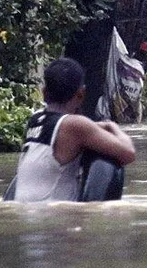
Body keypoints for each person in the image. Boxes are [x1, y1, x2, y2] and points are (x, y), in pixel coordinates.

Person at [13, 57, 137, 203]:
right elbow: (128, 153)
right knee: (110, 160)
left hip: (26, 212)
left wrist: (95, 126)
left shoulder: (35, 119)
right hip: (52, 217)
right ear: (81, 94)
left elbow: (64, 130)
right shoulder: (76, 126)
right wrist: (112, 126)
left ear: (44, 93)